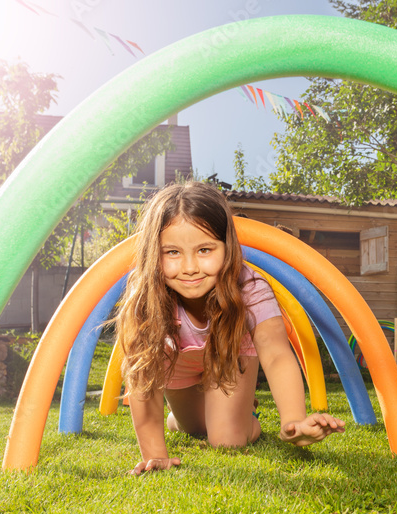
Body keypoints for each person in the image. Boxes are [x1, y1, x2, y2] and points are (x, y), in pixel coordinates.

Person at [114, 182, 344, 475]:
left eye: (205, 250)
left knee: (226, 440)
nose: (190, 267)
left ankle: (244, 415)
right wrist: (155, 454)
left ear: (227, 247)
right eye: (172, 252)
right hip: (177, 362)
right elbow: (142, 375)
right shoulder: (145, 297)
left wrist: (294, 420)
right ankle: (183, 417)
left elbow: (275, 354)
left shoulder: (249, 287)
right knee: (193, 427)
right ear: (153, 253)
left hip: (229, 353)